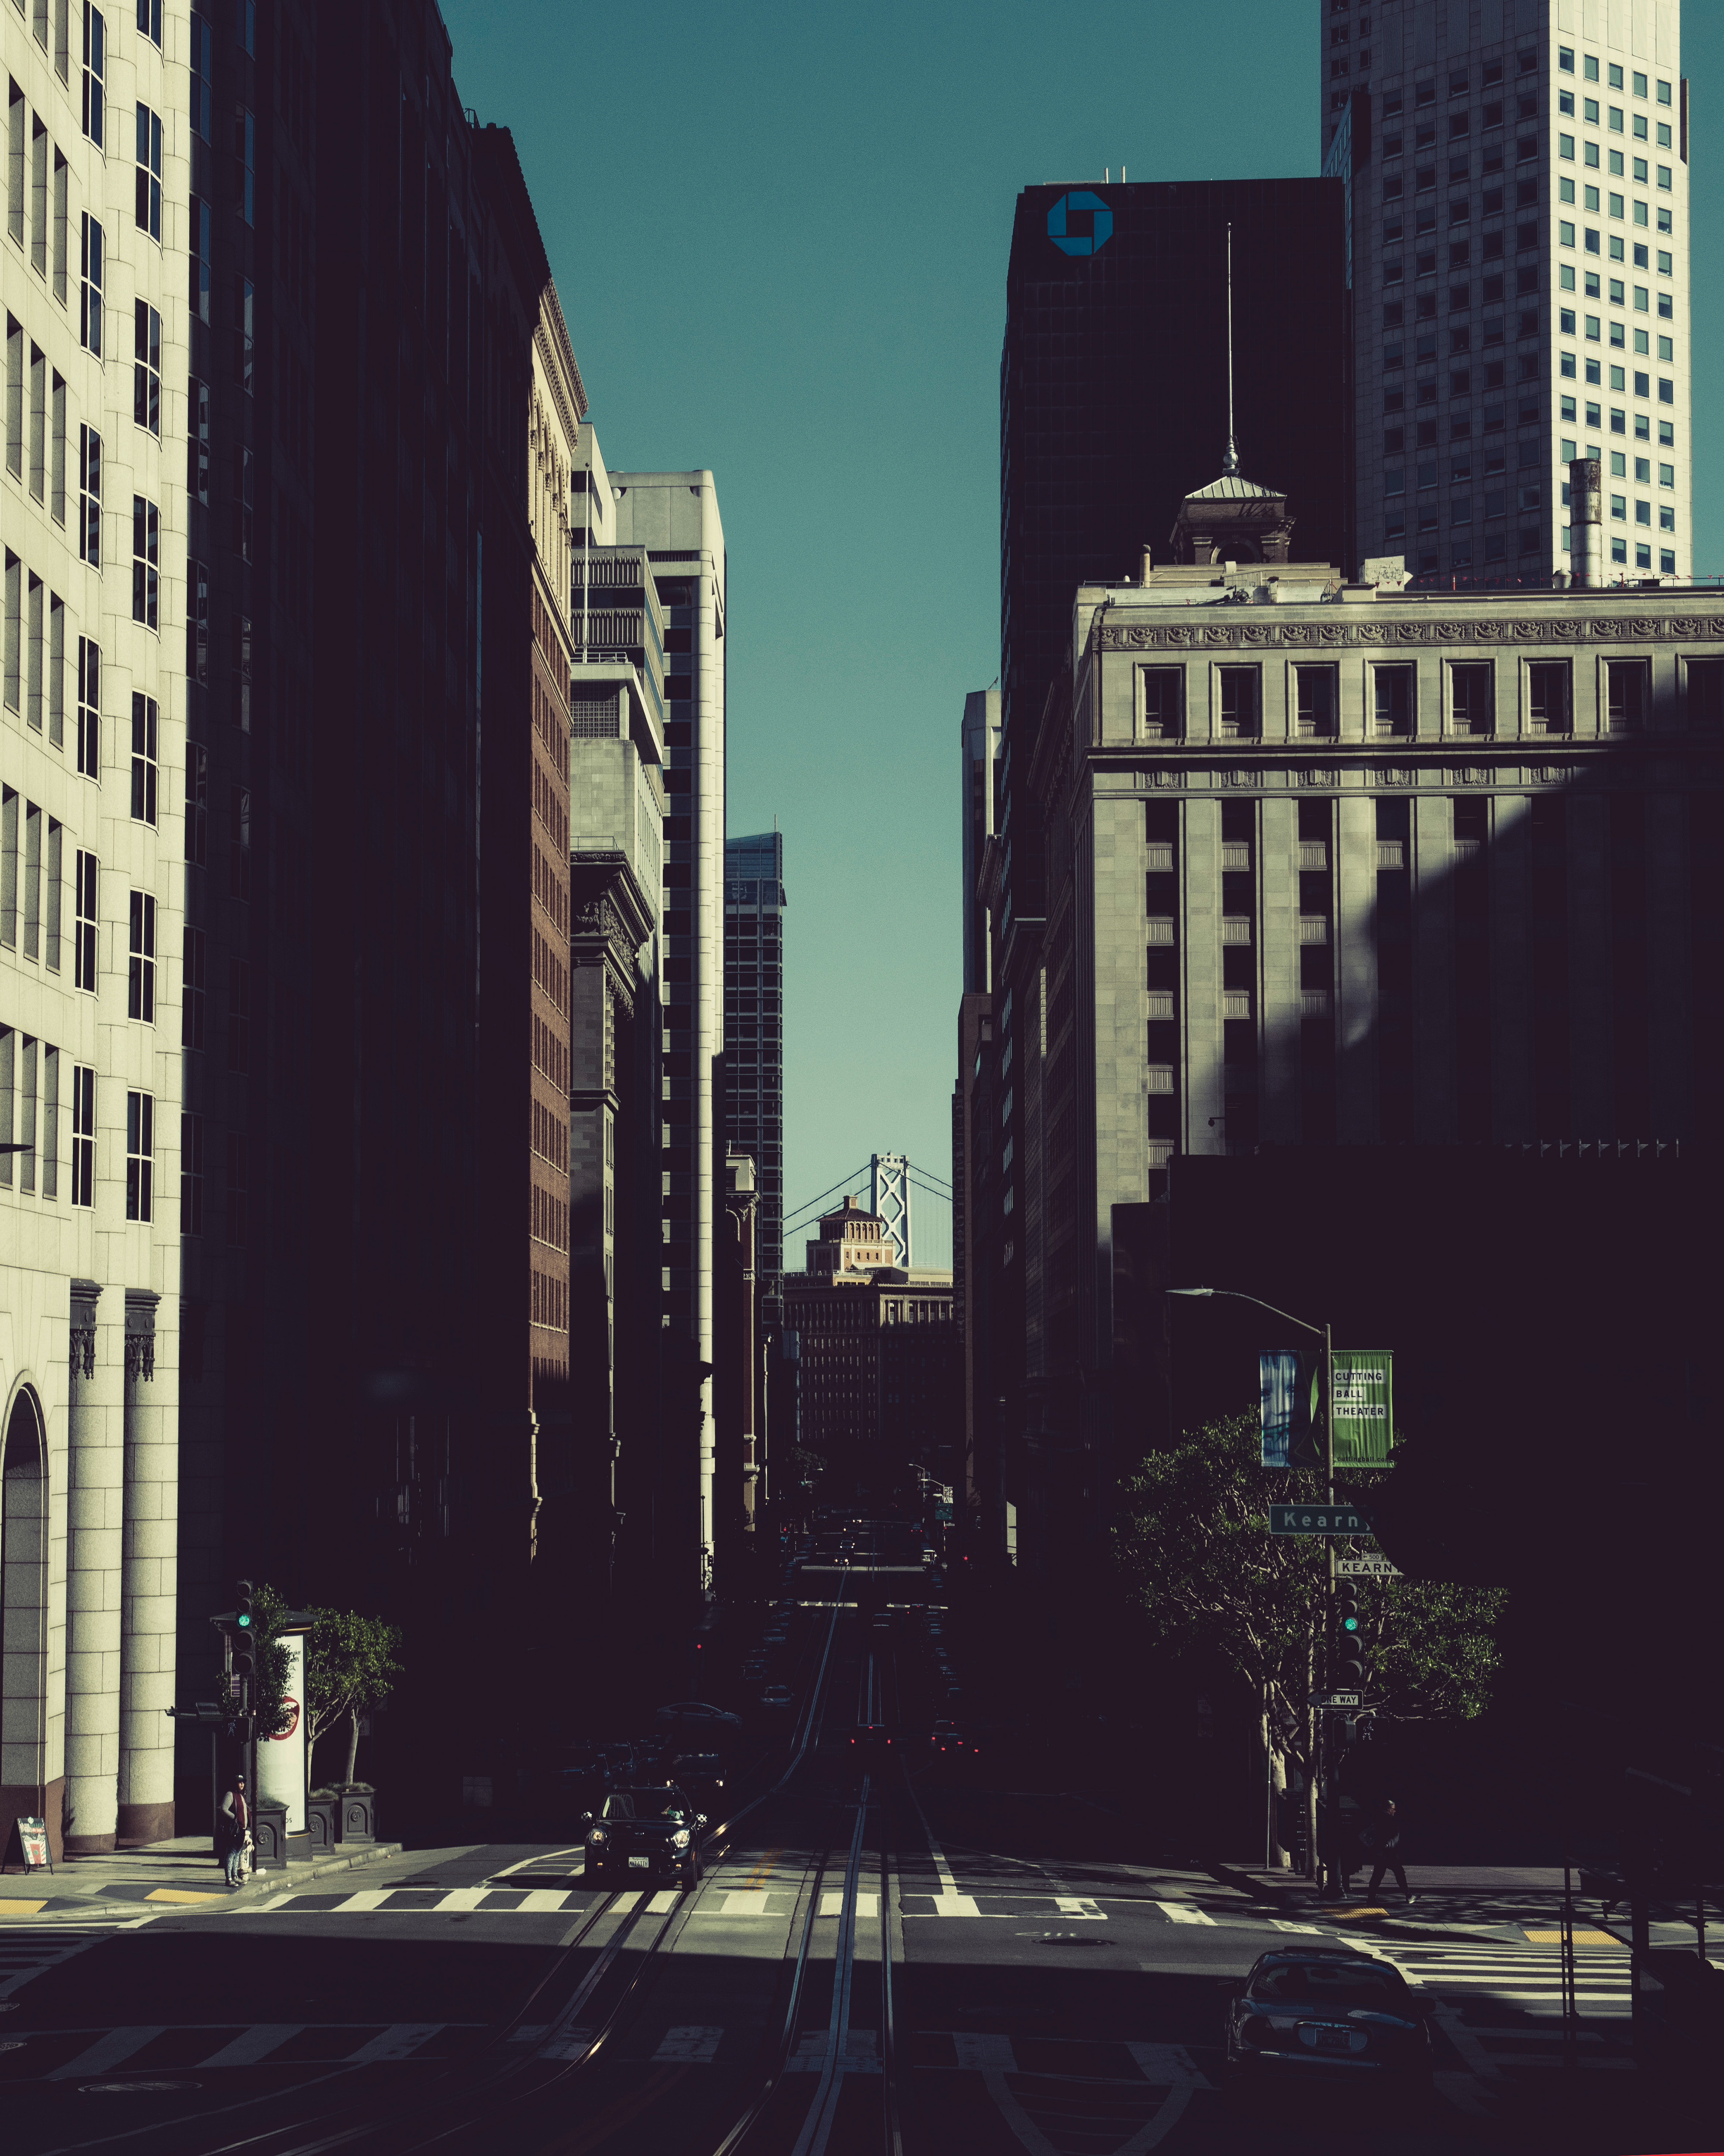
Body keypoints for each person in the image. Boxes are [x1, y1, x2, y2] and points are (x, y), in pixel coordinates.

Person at [1365, 1796, 1414, 1904]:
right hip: (1388, 1854)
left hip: (1380, 1853)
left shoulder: (1377, 1818)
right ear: (1388, 1809)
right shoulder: (1390, 1820)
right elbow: (1395, 1837)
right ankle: (1408, 1895)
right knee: (1399, 1873)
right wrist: (1388, 1845)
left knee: (1378, 1876)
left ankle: (1371, 1898)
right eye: (1393, 1809)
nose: (1395, 1811)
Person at [219, 1771, 250, 1889]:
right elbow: (224, 1809)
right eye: (239, 1783)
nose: (242, 1785)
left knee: (237, 1853)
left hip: (242, 1829)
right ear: (234, 1784)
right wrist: (234, 1817)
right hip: (234, 1830)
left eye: (243, 1783)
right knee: (231, 1853)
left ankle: (235, 1876)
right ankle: (229, 1879)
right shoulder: (230, 1795)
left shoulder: (241, 1795)